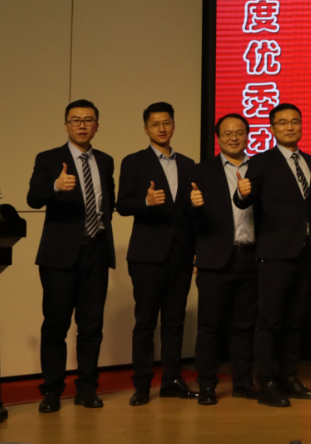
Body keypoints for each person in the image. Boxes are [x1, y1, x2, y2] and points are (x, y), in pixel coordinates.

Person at [27, 100, 115, 413]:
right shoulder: (49, 158)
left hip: (96, 251)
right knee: (56, 325)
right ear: (65, 125)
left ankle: (87, 389)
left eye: (88, 120)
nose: (81, 125)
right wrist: (55, 185)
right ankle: (52, 391)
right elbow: (33, 198)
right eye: (75, 120)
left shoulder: (105, 161)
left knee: (91, 327)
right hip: (60, 256)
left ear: (97, 126)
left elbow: (107, 203)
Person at [234, 103, 311, 407]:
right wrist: (242, 192)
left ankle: (289, 376)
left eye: (295, 122)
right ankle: (267, 381)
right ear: (271, 128)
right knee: (269, 321)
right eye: (282, 122)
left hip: (306, 251)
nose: (289, 127)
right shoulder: (261, 162)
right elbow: (244, 200)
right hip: (274, 253)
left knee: (296, 320)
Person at [115, 102, 198, 405]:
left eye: (166, 122)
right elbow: (122, 204)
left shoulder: (188, 164)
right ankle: (142, 386)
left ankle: (172, 380)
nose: (162, 128)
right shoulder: (134, 162)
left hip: (181, 253)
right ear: (146, 129)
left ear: (174, 125)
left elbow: (189, 212)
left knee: (175, 322)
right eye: (155, 124)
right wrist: (146, 202)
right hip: (147, 255)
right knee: (146, 322)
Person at [189, 113, 259, 405]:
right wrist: (193, 206)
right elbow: (187, 217)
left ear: (248, 136)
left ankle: (242, 382)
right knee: (210, 327)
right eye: (227, 133)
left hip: (251, 257)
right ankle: (206, 385)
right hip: (215, 259)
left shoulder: (259, 168)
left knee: (244, 326)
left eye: (239, 132)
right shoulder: (201, 171)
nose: (234, 138)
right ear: (218, 137)